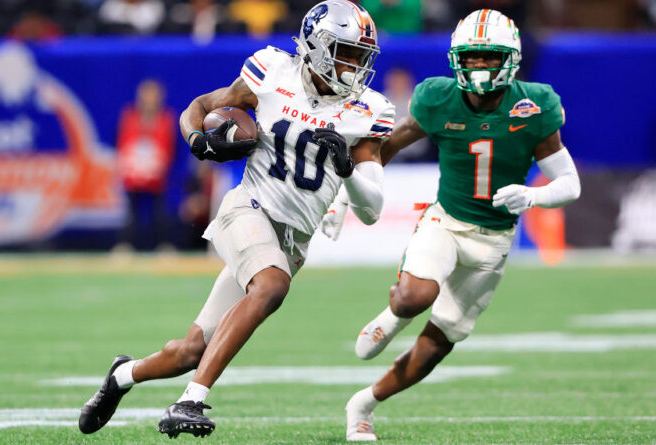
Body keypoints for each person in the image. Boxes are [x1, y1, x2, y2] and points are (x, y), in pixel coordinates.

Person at [78, 0, 394, 439]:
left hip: (290, 241)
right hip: (247, 209)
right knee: (271, 285)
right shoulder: (272, 72)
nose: (357, 66)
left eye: (362, 56)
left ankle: (121, 376)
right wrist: (196, 139)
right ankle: (190, 401)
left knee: (190, 350)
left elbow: (372, 209)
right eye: (349, 53)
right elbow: (201, 105)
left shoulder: (369, 109)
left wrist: (347, 173)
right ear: (319, 47)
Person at [323, 9, 581, 441]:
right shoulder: (439, 99)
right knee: (413, 298)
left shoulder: (534, 106)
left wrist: (533, 196)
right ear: (457, 59)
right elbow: (382, 150)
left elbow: (569, 182)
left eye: (488, 57)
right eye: (472, 57)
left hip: (494, 243)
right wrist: (342, 197)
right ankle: (394, 311)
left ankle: (363, 403)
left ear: (510, 60)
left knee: (435, 347)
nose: (479, 66)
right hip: (447, 221)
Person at [114, 79, 176, 252]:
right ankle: (124, 245)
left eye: (153, 95)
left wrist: (159, 165)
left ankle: (164, 245)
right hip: (133, 173)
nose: (149, 100)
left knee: (159, 212)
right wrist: (129, 165)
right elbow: (121, 143)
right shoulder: (129, 117)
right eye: (146, 95)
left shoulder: (166, 119)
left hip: (156, 174)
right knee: (131, 213)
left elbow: (171, 146)